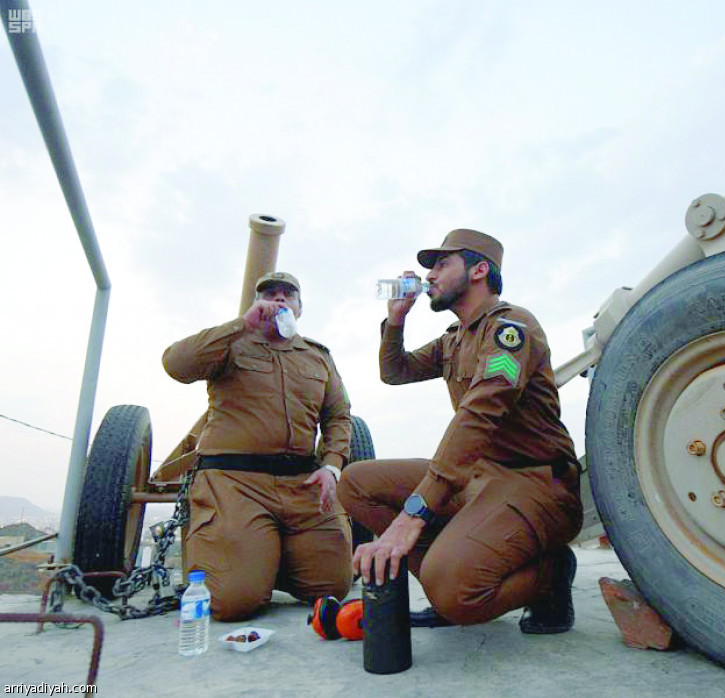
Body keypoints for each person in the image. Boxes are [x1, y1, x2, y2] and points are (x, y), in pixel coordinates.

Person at [339, 229, 583, 633]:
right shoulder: (453, 340)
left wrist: (415, 512)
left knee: (457, 595)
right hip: (478, 477)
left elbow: (481, 412)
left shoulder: (511, 329)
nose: (429, 276)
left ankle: (550, 574)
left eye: (441, 264)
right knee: (356, 483)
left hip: (535, 482)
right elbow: (394, 372)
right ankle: (449, 575)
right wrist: (396, 320)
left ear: (479, 270)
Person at [162, 271, 353, 621]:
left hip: (301, 485)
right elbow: (176, 364)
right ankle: (249, 563)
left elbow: (339, 416)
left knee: (333, 587)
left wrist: (332, 466)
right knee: (233, 603)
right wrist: (241, 324)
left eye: (288, 295)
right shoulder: (229, 345)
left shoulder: (318, 356)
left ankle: (264, 558)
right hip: (235, 484)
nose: (279, 299)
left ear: (299, 307)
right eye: (269, 294)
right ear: (256, 303)